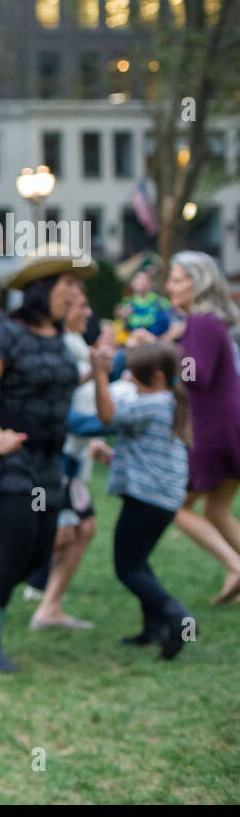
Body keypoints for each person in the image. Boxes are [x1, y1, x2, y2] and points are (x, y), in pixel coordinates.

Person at [0, 247, 95, 672]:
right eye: (68, 286)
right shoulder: (8, 334)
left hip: (48, 461)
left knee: (39, 552)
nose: (75, 295)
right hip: (6, 461)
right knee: (16, 545)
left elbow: (52, 384)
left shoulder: (62, 339)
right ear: (42, 289)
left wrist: (100, 371)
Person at [90, 342, 196, 658]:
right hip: (160, 498)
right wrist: (110, 456)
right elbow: (148, 454)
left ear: (158, 376)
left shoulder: (152, 404)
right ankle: (153, 629)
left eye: (134, 375)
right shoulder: (167, 402)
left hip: (147, 500)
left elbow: (107, 415)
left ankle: (179, 618)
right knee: (139, 561)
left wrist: (98, 375)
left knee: (127, 569)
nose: (128, 379)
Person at [164, 250, 240, 604]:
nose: (170, 286)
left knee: (178, 507)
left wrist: (170, 354)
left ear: (199, 283)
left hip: (213, 430)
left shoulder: (200, 322)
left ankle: (235, 567)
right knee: (216, 509)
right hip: (229, 426)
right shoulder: (210, 323)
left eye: (178, 279)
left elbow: (197, 377)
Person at [20, 289, 98, 631]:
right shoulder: (58, 347)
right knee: (58, 534)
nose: (87, 309)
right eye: (80, 304)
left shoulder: (76, 342)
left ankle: (48, 605)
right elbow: (63, 410)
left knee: (81, 529)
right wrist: (112, 423)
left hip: (74, 459)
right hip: (58, 458)